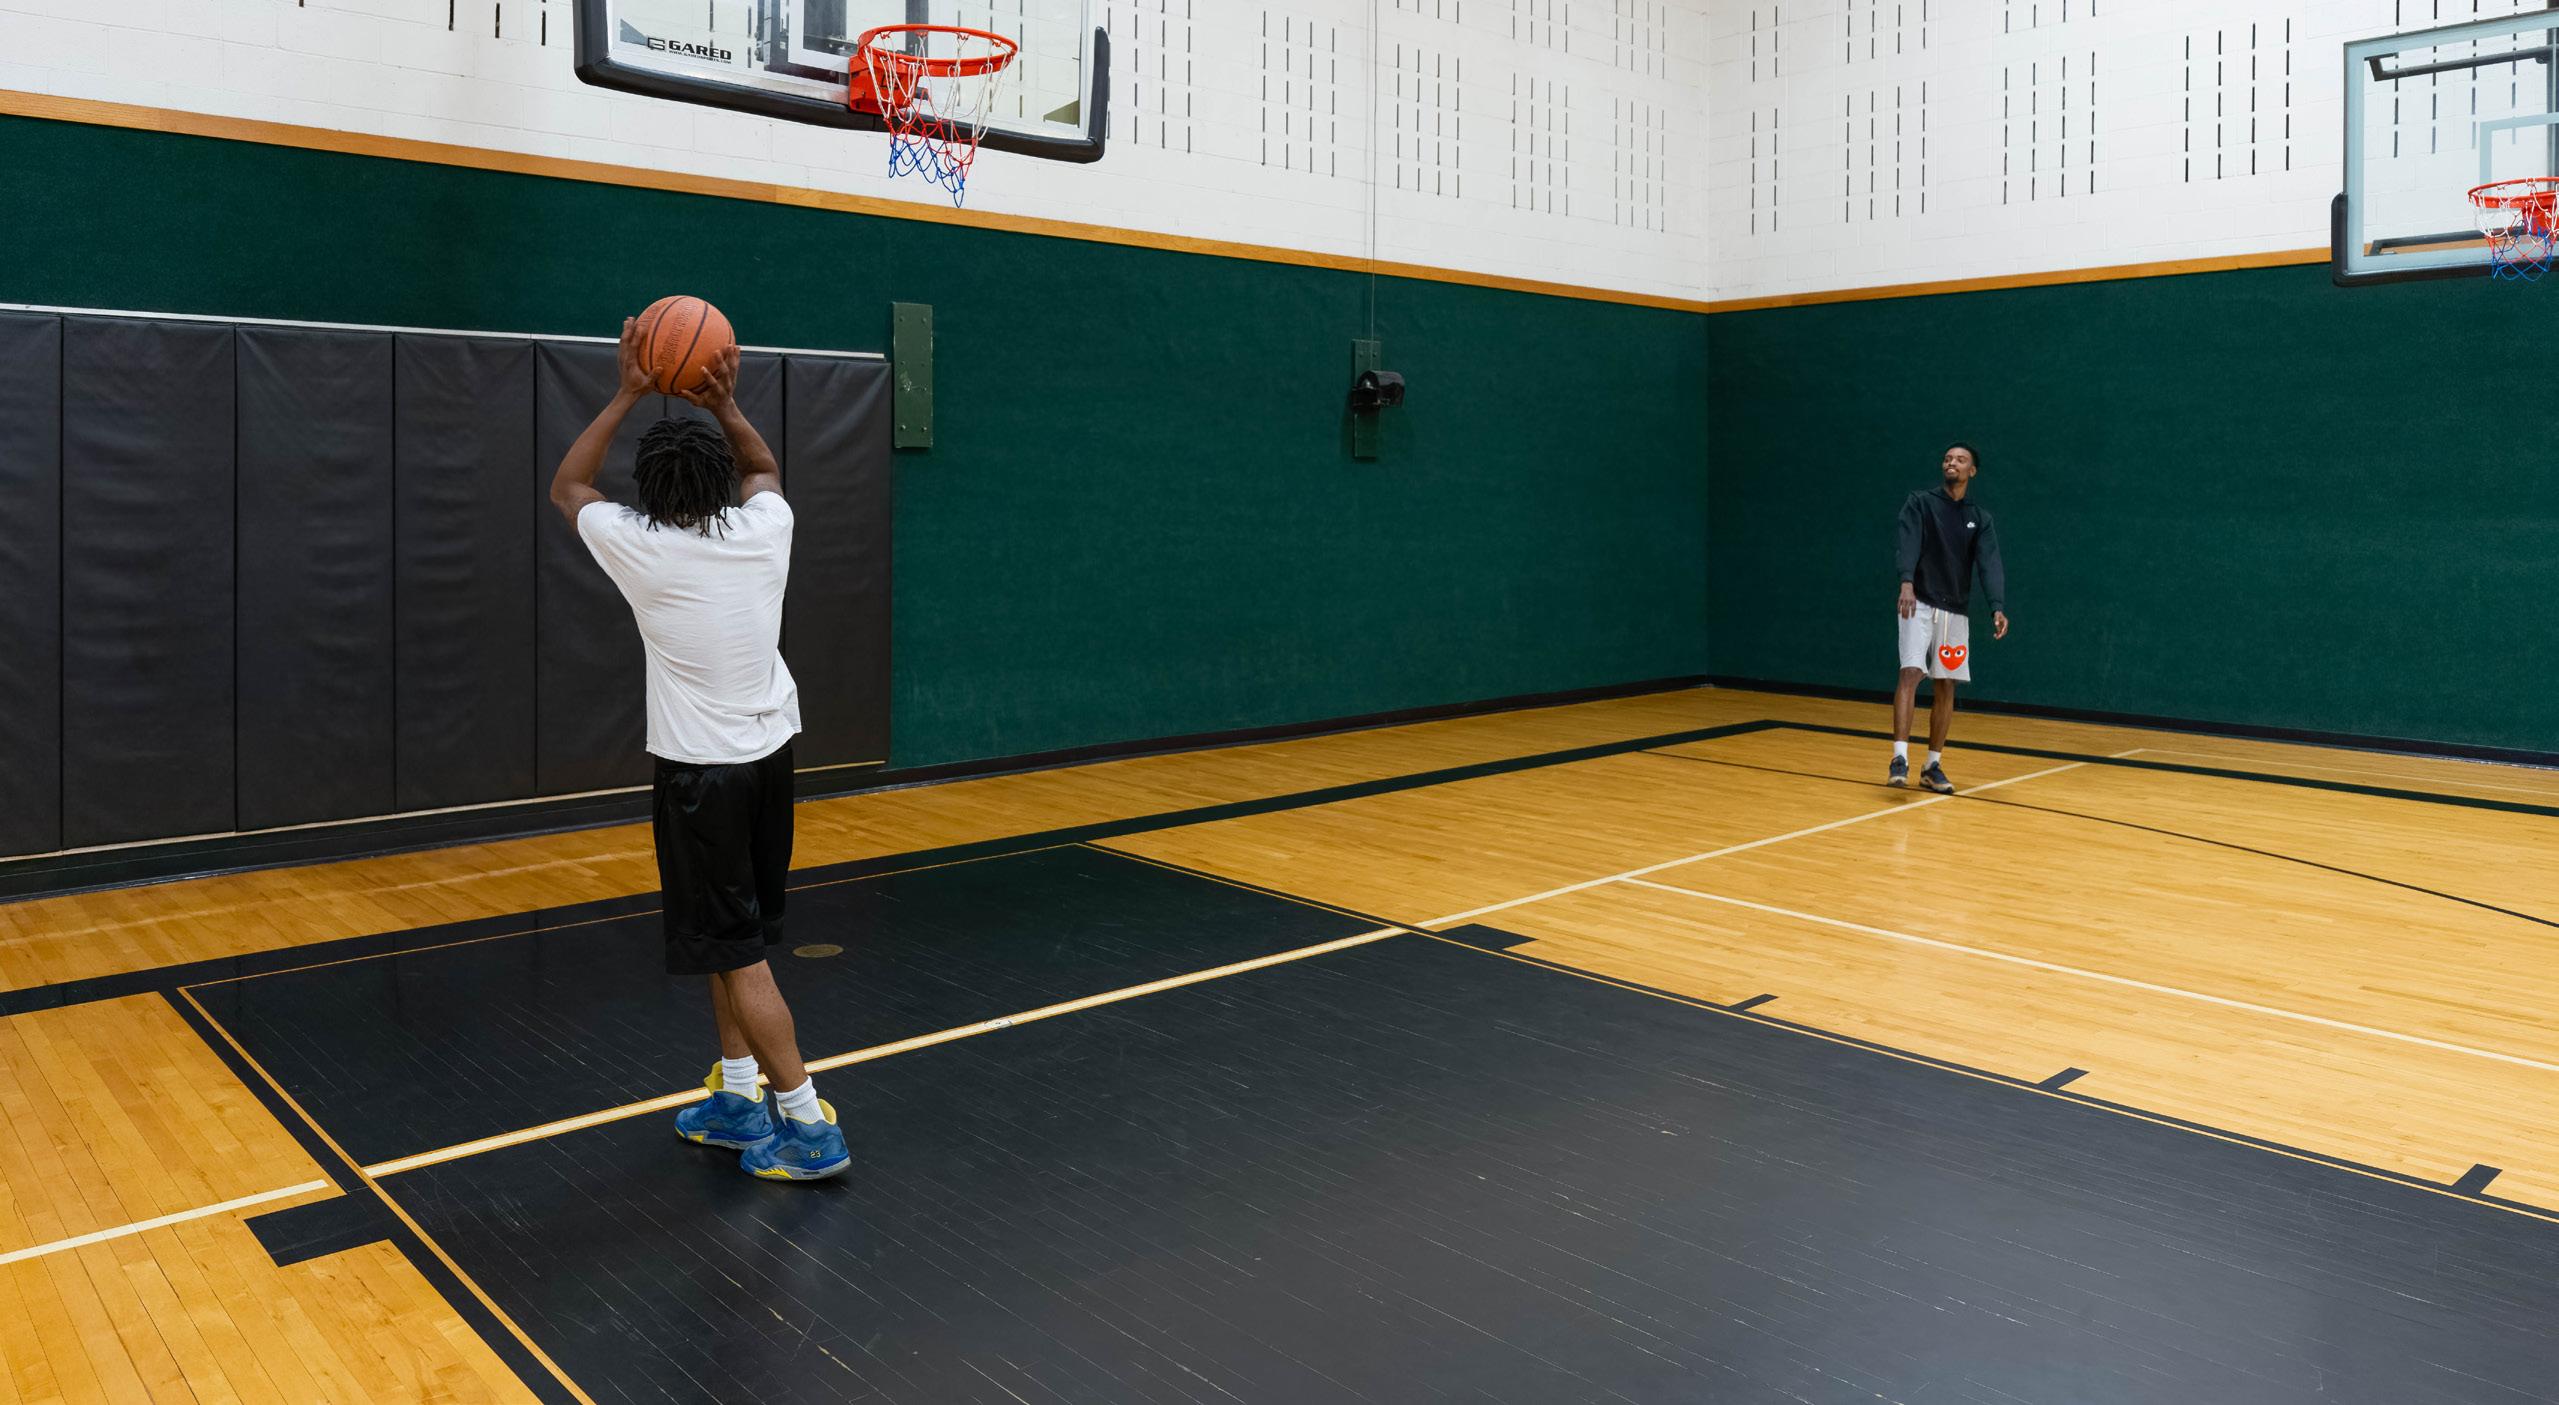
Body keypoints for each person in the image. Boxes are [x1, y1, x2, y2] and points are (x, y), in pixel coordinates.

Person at [548, 319, 850, 1182]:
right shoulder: (763, 531)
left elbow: (569, 484)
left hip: (701, 779)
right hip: (769, 763)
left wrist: (628, 391)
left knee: (737, 951)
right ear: (721, 484)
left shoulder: (639, 546)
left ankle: (807, 1124)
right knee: (731, 940)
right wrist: (724, 402)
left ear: (645, 492)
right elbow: (765, 471)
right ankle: (738, 1096)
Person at [1890, 442, 2010, 794]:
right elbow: (1908, 542)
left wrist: (1997, 606)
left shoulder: (1979, 518)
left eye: (1960, 459)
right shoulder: (1920, 502)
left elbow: (1989, 563)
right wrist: (1906, 582)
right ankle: (1899, 758)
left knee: (1946, 685)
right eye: (1947, 458)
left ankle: (1932, 766)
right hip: (1918, 602)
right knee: (1911, 673)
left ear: (1972, 471)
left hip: (1955, 610)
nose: (1951, 463)